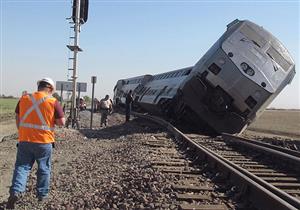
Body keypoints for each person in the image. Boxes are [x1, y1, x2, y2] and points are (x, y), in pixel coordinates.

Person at [7, 78, 65, 208]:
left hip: (25, 140)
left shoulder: (24, 98)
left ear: (39, 86)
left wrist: (21, 132)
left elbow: (17, 117)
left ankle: (16, 191)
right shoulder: (53, 101)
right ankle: (42, 196)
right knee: (44, 168)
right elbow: (61, 122)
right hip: (44, 142)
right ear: (50, 88)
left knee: (22, 167)